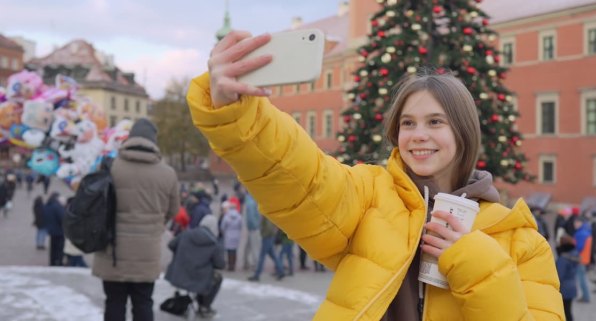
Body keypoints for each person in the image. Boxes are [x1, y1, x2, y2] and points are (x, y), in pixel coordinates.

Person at [187, 30, 564, 320]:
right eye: (408, 123)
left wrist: (471, 258)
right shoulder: (369, 195)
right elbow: (303, 176)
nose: (418, 134)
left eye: (435, 122)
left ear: (463, 132)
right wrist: (238, 113)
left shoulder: (521, 241)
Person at [92, 118, 180, 321]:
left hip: (112, 250)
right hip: (146, 252)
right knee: (143, 303)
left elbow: (96, 205)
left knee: (114, 302)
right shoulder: (167, 174)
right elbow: (173, 211)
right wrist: (154, 222)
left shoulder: (110, 167)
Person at [165, 214, 225, 318]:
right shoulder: (214, 243)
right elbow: (220, 264)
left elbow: (171, 245)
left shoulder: (186, 234)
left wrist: (180, 255)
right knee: (217, 278)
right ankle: (204, 306)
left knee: (207, 276)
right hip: (199, 278)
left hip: (179, 274)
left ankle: (197, 302)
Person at [247, 215, 286, 282]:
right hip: (269, 236)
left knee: (262, 256)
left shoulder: (266, 213)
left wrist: (264, 234)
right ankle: (281, 271)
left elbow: (269, 227)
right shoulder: (266, 213)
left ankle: (257, 275)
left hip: (267, 237)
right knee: (273, 255)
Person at [555, 235, 578, 321]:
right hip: (572, 287)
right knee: (568, 310)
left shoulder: (563, 259)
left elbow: (559, 275)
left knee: (565, 312)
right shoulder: (574, 254)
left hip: (564, 288)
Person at [42, 192, 65, 266]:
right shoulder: (57, 206)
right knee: (59, 248)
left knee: (53, 248)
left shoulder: (48, 205)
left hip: (51, 230)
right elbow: (62, 218)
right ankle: (59, 262)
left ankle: (52, 262)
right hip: (59, 230)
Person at [573, 216, 592, 303]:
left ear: (580, 223)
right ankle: (586, 296)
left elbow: (579, 247)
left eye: (576, 222)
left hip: (580, 259)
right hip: (585, 258)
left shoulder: (580, 233)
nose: (575, 224)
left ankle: (586, 297)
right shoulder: (586, 231)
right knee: (582, 278)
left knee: (581, 279)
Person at [219, 201, 242, 271]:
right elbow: (241, 225)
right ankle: (234, 265)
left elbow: (222, 226)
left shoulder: (227, 216)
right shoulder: (239, 216)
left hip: (228, 234)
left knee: (229, 251)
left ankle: (230, 265)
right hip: (236, 234)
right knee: (234, 250)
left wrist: (224, 232)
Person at [242, 191, 261, 271]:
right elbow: (251, 216)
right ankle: (256, 264)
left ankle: (246, 262)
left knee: (248, 246)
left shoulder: (249, 199)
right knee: (255, 246)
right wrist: (255, 225)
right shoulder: (252, 201)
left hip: (251, 227)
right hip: (254, 228)